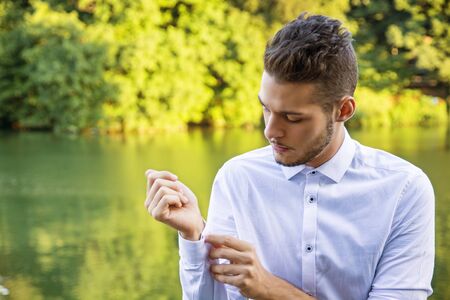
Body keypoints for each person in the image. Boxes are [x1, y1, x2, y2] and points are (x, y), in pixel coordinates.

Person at [144, 13, 435, 300]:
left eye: (292, 118)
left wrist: (270, 289)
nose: (270, 131)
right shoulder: (237, 178)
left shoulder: (404, 190)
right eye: (266, 108)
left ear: (343, 111)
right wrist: (193, 236)